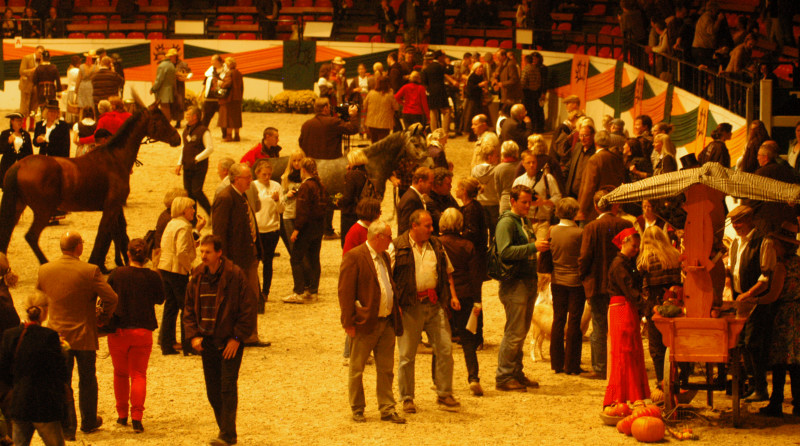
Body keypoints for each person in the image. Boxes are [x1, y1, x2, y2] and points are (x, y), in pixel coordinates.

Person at [37, 231, 118, 439]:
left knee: (63, 381)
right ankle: (89, 421)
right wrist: (103, 318)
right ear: (79, 247)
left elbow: (39, 298)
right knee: (88, 379)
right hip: (84, 335)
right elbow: (111, 297)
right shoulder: (90, 270)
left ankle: (67, 426)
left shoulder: (45, 270)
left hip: (57, 336)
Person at [183, 235, 257, 446]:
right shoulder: (197, 275)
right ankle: (226, 431)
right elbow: (188, 308)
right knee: (213, 391)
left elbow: (247, 309)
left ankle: (226, 435)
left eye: (207, 252)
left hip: (229, 342)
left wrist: (236, 338)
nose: (203, 256)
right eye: (202, 251)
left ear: (219, 253)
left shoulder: (235, 275)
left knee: (227, 387)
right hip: (206, 341)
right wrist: (193, 335)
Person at [391, 210, 462, 412]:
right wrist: (394, 305)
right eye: (428, 225)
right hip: (410, 307)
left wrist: (453, 296)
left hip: (434, 304)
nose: (432, 229)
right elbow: (389, 276)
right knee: (406, 355)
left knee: (445, 349)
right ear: (414, 226)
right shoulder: (397, 247)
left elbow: (448, 273)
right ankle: (406, 397)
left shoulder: (437, 246)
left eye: (432, 225)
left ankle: (444, 393)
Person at [339, 220, 406, 423]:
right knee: (357, 368)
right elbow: (345, 292)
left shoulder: (384, 256)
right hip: (365, 323)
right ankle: (357, 407)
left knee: (386, 368)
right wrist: (348, 323)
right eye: (388, 236)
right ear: (378, 237)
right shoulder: (354, 257)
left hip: (386, 322)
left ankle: (387, 407)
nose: (391, 240)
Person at [106, 239, 165, 433]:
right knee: (139, 375)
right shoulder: (152, 276)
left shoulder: (117, 274)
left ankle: (122, 415)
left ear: (128, 254)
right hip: (143, 330)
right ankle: (137, 417)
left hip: (119, 330)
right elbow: (160, 299)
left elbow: (106, 296)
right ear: (147, 256)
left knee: (120, 373)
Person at [494, 185, 548, 391]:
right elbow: (505, 251)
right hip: (513, 284)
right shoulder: (506, 222)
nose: (527, 206)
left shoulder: (523, 221)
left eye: (529, 202)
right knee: (514, 331)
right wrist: (533, 247)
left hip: (526, 281)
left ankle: (516, 372)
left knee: (522, 330)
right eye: (523, 202)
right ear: (512, 202)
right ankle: (504, 376)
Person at [0, 292, 69, 446]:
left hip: (19, 402)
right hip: (44, 405)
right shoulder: (50, 336)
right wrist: (63, 350)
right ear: (44, 311)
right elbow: (59, 372)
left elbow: (3, 370)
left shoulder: (10, 335)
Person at [579, 188, 633, 379]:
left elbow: (585, 257)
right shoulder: (625, 224)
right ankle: (622, 364)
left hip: (597, 283)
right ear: (616, 204)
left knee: (599, 326)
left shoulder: (591, 228)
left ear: (596, 206)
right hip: (621, 285)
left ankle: (601, 367)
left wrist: (582, 276)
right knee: (621, 326)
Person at [212, 163, 268, 346]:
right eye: (247, 177)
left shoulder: (242, 196)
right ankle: (237, 335)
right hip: (235, 259)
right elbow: (219, 233)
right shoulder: (225, 198)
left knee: (251, 296)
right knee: (237, 298)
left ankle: (250, 334)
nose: (251, 180)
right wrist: (224, 261)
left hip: (248, 256)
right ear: (236, 179)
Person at [727, 204, 776, 402]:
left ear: (750, 220)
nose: (736, 226)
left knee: (753, 343)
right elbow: (732, 270)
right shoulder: (735, 243)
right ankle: (753, 385)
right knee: (741, 344)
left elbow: (766, 278)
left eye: (739, 221)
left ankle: (761, 387)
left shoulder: (764, 242)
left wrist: (748, 293)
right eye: (734, 222)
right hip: (739, 300)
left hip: (756, 300)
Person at [438, 208, 484, 396]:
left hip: (443, 296)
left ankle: (437, 379)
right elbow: (475, 276)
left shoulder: (436, 244)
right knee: (467, 340)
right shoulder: (467, 246)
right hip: (465, 294)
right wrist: (477, 301)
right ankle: (473, 377)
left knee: (439, 339)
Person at [604, 228, 650, 406]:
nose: (636, 249)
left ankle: (628, 394)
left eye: (638, 247)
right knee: (624, 350)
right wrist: (646, 307)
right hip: (621, 308)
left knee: (629, 350)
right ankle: (623, 395)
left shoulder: (627, 263)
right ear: (624, 243)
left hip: (625, 307)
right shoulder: (619, 265)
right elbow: (629, 290)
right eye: (634, 246)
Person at [158, 197, 205, 356]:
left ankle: (166, 343)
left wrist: (197, 230)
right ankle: (189, 344)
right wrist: (190, 268)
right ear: (183, 210)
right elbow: (182, 252)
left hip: (166, 268)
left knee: (170, 308)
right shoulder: (184, 227)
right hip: (177, 270)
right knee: (187, 308)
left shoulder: (172, 223)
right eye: (191, 208)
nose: (193, 211)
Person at [761, 223, 800, 417]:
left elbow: (773, 295)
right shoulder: (799, 263)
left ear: (782, 245)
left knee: (779, 362)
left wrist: (755, 300)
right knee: (796, 363)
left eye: (776, 244)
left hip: (785, 315)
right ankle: (799, 403)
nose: (774, 247)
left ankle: (776, 403)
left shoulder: (781, 267)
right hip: (798, 313)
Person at [637, 225, 682, 387]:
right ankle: (679, 379)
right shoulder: (674, 255)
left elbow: (642, 286)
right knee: (675, 344)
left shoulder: (645, 260)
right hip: (674, 304)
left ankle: (662, 381)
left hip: (654, 307)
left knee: (657, 347)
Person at [549, 197, 585, 375]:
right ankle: (572, 364)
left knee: (558, 319)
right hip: (575, 281)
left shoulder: (552, 231)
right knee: (574, 322)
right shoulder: (579, 233)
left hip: (557, 280)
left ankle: (557, 362)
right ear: (574, 212)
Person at [285, 158, 327, 304]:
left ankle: (298, 291)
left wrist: (296, 229)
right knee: (314, 258)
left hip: (307, 227)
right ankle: (313, 290)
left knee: (296, 258)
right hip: (318, 227)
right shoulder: (319, 184)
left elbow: (303, 210)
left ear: (303, 170)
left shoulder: (305, 186)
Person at [512, 146, 561, 240]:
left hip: (542, 222)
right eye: (528, 162)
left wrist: (543, 202)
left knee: (540, 251)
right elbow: (513, 202)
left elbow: (558, 198)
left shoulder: (547, 178)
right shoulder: (519, 181)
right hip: (524, 222)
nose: (531, 165)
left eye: (533, 162)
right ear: (523, 164)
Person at [576, 131, 625, 222]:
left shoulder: (594, 159)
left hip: (595, 209)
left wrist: (581, 209)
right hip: (613, 206)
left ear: (595, 142)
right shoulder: (615, 158)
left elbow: (589, 187)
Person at [253, 159, 284, 302]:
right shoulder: (253, 186)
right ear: (257, 173)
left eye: (269, 174)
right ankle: (256, 289)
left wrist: (277, 201)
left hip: (271, 229)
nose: (267, 177)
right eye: (264, 174)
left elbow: (281, 210)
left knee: (268, 261)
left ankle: (265, 291)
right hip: (257, 229)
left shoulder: (276, 186)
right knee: (255, 261)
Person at [175, 106, 214, 217]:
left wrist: (197, 159)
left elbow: (210, 148)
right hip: (187, 165)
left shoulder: (203, 131)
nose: (186, 116)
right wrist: (179, 163)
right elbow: (184, 148)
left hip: (199, 167)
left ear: (195, 116)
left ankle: (210, 212)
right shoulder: (186, 130)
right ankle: (192, 218)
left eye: (188, 114)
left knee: (197, 191)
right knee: (189, 193)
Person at [470, 130, 500, 236]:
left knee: (482, 229)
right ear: (490, 157)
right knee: (495, 230)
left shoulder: (475, 170)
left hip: (481, 202)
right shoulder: (497, 170)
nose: (498, 158)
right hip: (494, 203)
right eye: (496, 156)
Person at [339, 149, 370, 248]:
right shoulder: (365, 173)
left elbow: (348, 197)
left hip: (350, 214)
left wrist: (338, 202)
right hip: (361, 211)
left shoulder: (352, 175)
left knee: (348, 244)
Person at [422, 50, 453, 134]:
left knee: (433, 112)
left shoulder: (425, 69)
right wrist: (448, 64)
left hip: (431, 92)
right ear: (439, 57)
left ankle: (434, 132)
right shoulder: (439, 66)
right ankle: (444, 131)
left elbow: (424, 82)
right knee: (446, 111)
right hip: (440, 91)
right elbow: (450, 71)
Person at [280, 149, 305, 253]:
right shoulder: (285, 178)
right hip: (289, 215)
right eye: (294, 160)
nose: (296, 163)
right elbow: (281, 199)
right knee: (293, 246)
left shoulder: (306, 177)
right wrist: (287, 195)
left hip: (303, 215)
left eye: (299, 160)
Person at [362, 76, 398, 144]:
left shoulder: (371, 93)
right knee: (383, 145)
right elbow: (396, 107)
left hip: (371, 123)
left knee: (374, 143)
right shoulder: (389, 95)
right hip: (384, 124)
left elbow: (364, 106)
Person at [397, 166, 432, 235]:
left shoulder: (414, 196)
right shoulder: (411, 200)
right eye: (430, 183)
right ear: (420, 181)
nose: (432, 186)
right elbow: (405, 229)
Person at [0, 112, 33, 187]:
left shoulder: (26, 135)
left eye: (21, 120)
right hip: (8, 166)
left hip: (22, 168)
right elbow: (1, 149)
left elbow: (30, 153)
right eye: (18, 120)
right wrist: (8, 141)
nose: (20, 122)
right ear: (12, 121)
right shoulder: (5, 133)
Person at [219, 57, 243, 142]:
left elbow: (227, 84)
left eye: (226, 63)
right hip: (237, 98)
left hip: (230, 99)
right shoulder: (239, 73)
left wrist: (221, 84)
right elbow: (241, 87)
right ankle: (237, 136)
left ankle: (229, 136)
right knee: (237, 118)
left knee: (229, 119)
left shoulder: (229, 73)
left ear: (229, 64)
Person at [521, 52, 546, 133]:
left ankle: (528, 128)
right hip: (536, 93)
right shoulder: (536, 69)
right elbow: (540, 81)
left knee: (528, 111)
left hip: (527, 93)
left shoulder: (526, 69)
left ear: (525, 61)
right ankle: (536, 128)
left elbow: (523, 82)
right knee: (535, 111)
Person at [463, 65, 490, 141]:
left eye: (482, 68)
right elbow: (470, 89)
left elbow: (478, 88)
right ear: (475, 69)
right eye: (479, 68)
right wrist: (480, 85)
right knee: (473, 118)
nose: (480, 69)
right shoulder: (472, 77)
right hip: (473, 101)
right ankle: (472, 136)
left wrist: (483, 89)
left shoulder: (480, 77)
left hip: (478, 100)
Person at [201, 55, 227, 131]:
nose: (211, 62)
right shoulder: (210, 70)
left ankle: (225, 135)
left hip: (221, 97)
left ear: (218, 61)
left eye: (213, 60)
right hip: (209, 97)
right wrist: (201, 93)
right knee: (206, 116)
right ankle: (202, 132)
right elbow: (205, 82)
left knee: (223, 117)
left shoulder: (226, 70)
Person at [151, 49, 177, 122]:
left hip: (163, 91)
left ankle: (166, 126)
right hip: (169, 90)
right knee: (167, 109)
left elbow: (159, 80)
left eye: (160, 58)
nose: (159, 59)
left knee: (165, 110)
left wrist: (153, 89)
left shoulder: (162, 66)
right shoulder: (171, 65)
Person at [495, 140, 520, 214]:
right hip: (519, 200)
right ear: (516, 153)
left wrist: (500, 199)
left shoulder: (498, 168)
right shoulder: (521, 166)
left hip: (505, 201)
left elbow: (498, 188)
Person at [63, 55, 81, 124]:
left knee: (70, 107)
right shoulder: (78, 71)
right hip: (76, 90)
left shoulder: (69, 70)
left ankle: (69, 121)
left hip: (69, 89)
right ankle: (75, 122)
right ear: (77, 63)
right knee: (75, 107)